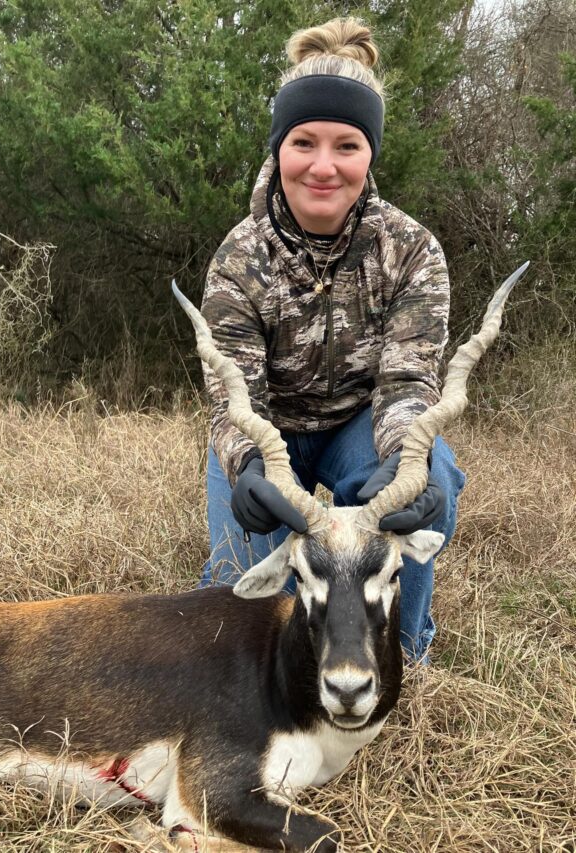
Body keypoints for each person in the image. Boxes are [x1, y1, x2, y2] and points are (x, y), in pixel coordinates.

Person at [198, 17, 466, 662]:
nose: (323, 166)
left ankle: (403, 653)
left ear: (370, 154)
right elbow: (234, 398)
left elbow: (408, 383)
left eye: (346, 145)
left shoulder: (413, 251)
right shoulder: (237, 258)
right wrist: (250, 466)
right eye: (304, 142)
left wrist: (407, 462)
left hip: (359, 430)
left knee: (434, 479)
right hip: (273, 437)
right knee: (237, 595)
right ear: (277, 149)